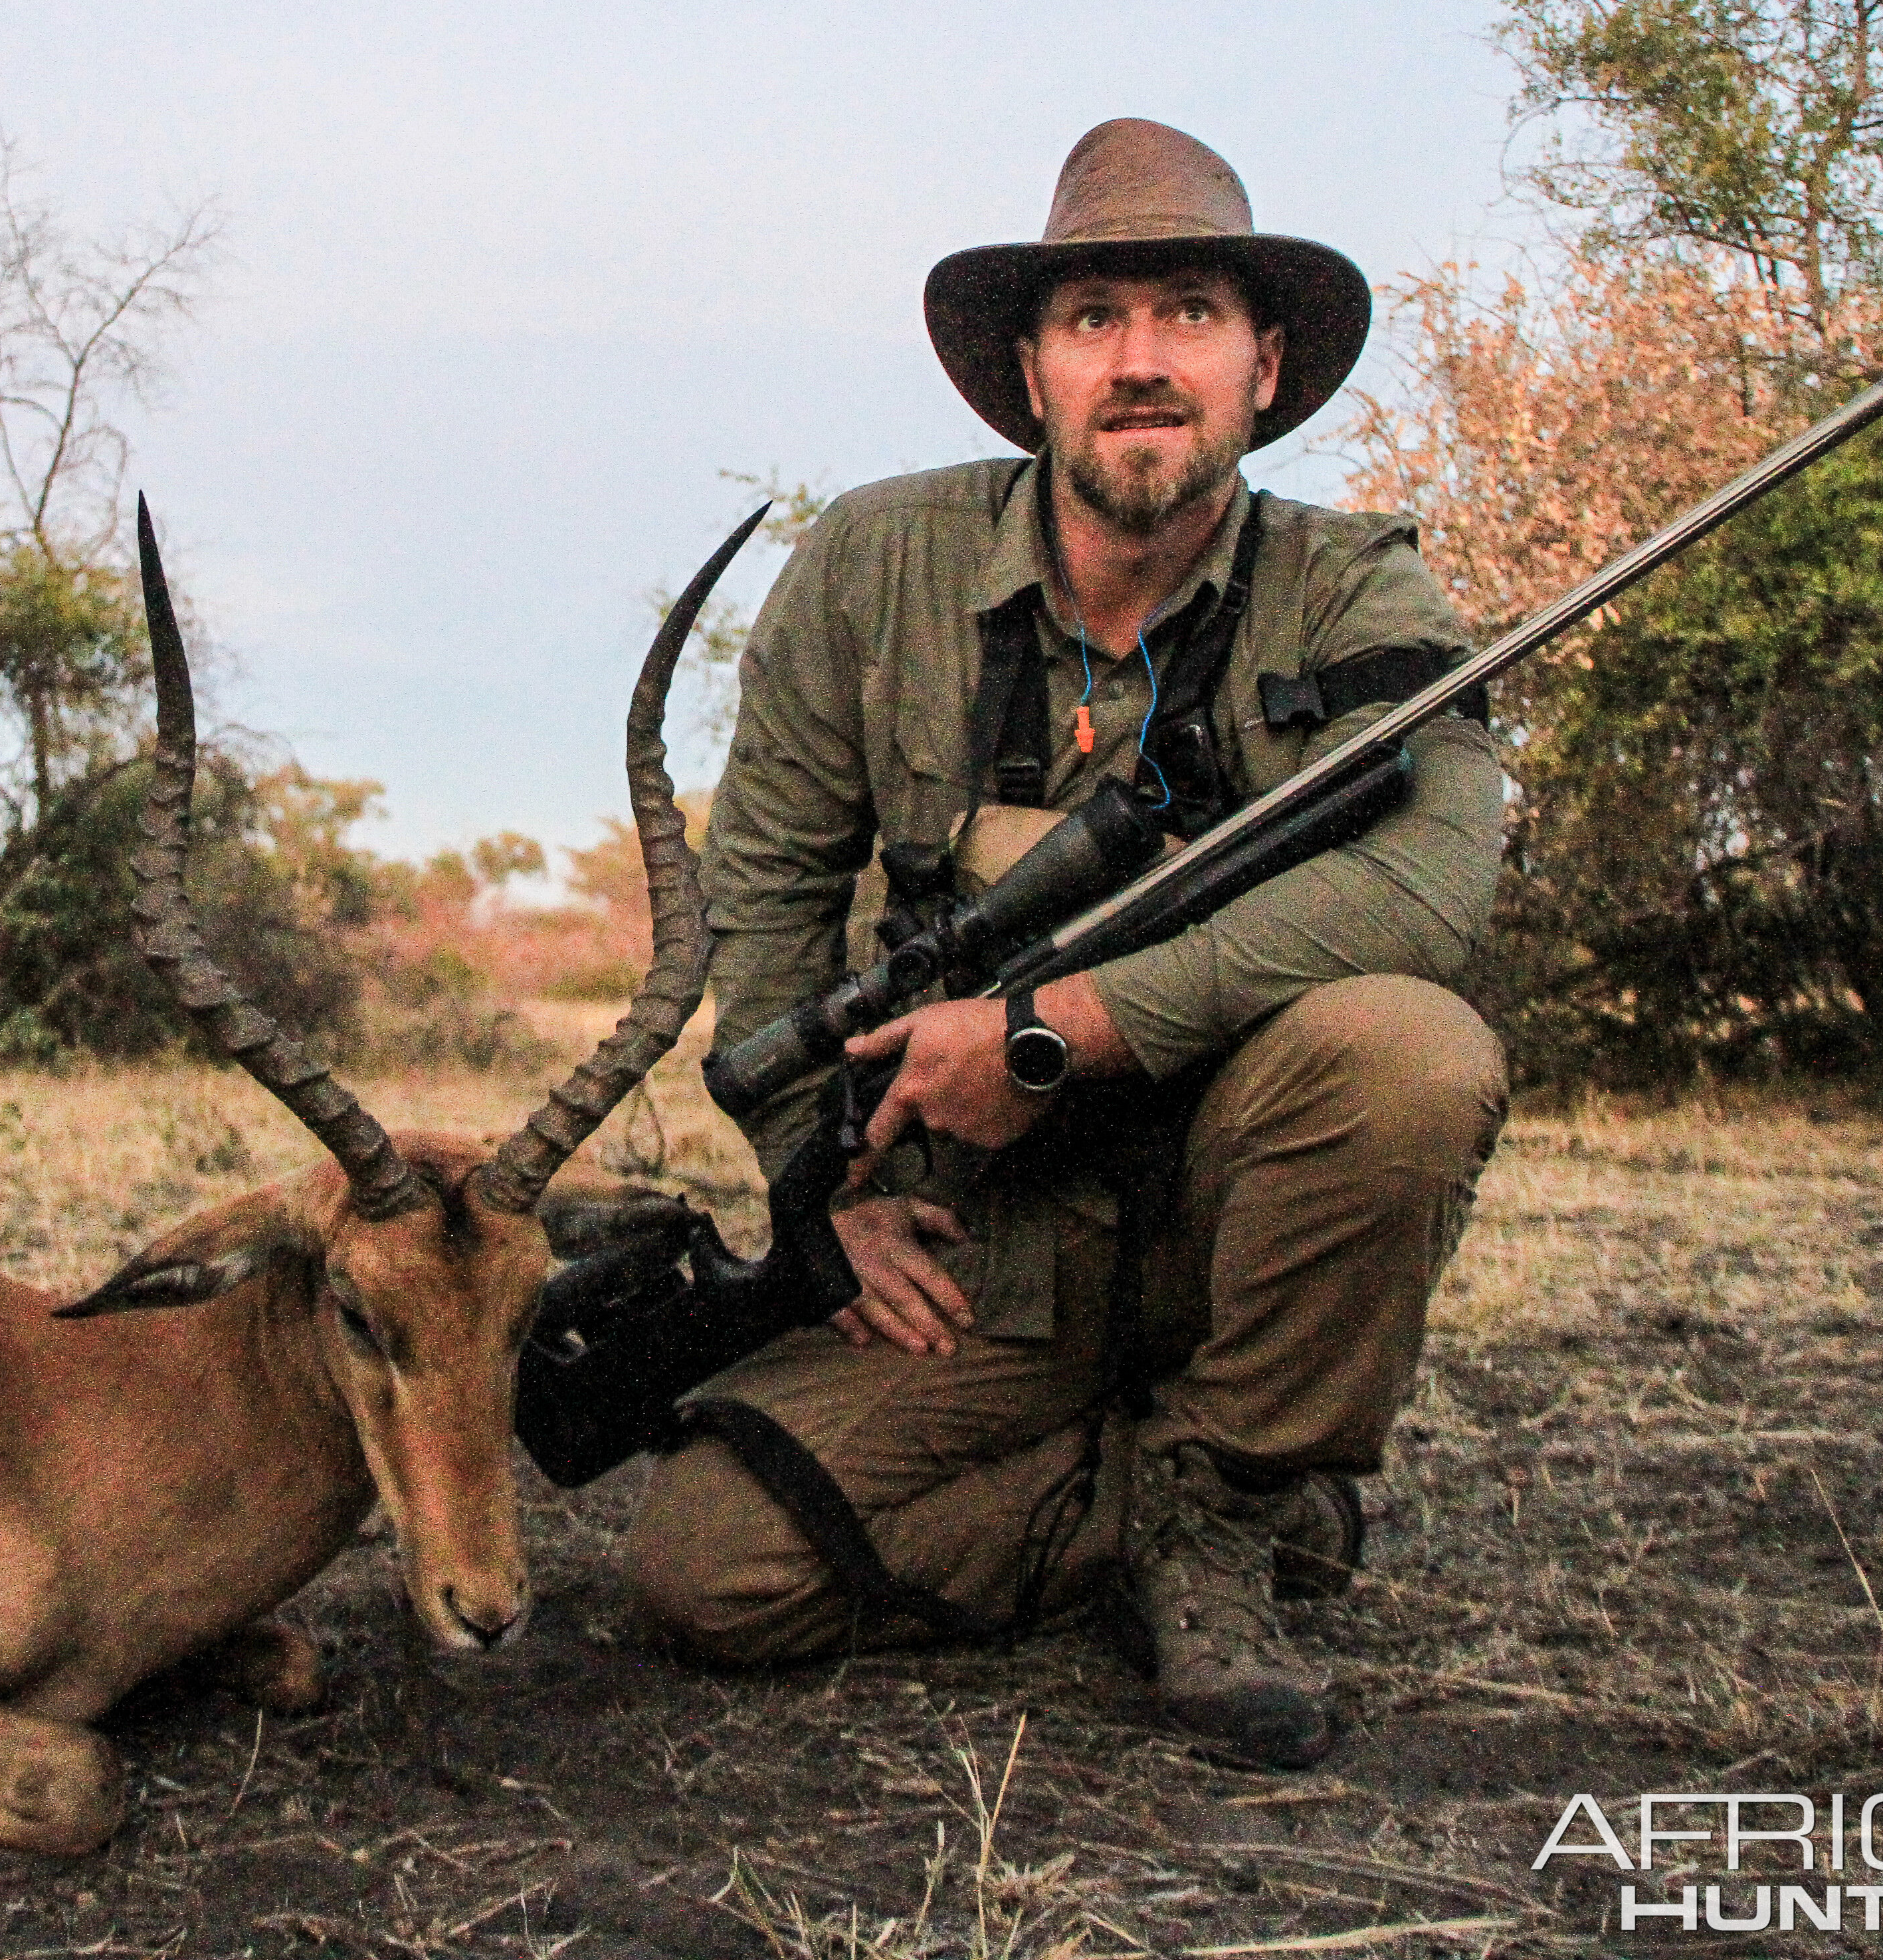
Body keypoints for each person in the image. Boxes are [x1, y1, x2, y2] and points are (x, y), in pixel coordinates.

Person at [629, 119, 1509, 1769]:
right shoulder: (870, 564)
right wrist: (816, 1183)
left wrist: (1059, 1032)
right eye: (1091, 316)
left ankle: (1229, 1494)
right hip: (974, 1248)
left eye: (1188, 311)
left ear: (1263, 363)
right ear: (1029, 372)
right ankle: (1156, 1503)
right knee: (702, 1572)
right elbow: (761, 894)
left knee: (1408, 1049)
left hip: (1211, 1216)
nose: (1141, 361)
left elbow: (1434, 876)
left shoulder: (1356, 588)